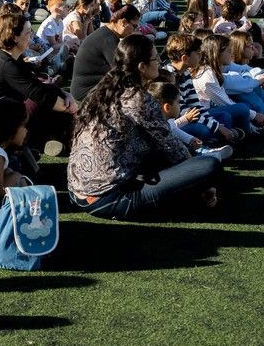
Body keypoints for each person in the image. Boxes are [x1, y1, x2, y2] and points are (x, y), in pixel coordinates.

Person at [68, 34, 221, 219]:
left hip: (78, 191)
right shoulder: (137, 98)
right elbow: (172, 146)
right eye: (155, 59)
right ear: (142, 67)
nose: (159, 62)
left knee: (166, 152)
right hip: (109, 198)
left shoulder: (101, 91)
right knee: (208, 164)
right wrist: (201, 182)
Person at [0, 8, 77, 155]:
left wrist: (65, 94)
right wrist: (70, 107)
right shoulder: (6, 64)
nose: (31, 36)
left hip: (14, 113)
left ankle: (49, 142)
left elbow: (38, 85)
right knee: (48, 104)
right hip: (4, 123)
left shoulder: (15, 59)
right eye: (28, 33)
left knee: (52, 95)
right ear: (15, 37)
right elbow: (38, 93)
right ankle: (49, 142)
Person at [70, 3, 140, 101]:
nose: (135, 30)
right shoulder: (108, 39)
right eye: (134, 26)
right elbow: (122, 70)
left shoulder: (107, 34)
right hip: (86, 91)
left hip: (92, 85)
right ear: (123, 22)